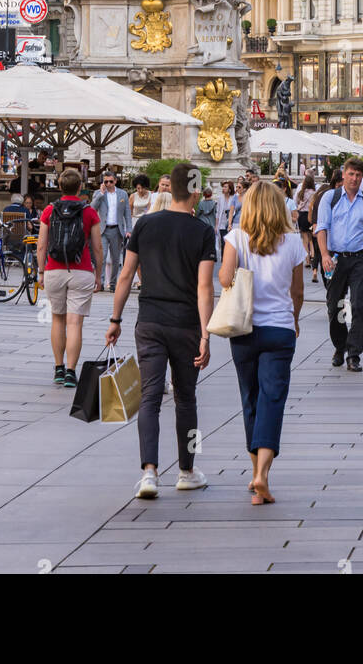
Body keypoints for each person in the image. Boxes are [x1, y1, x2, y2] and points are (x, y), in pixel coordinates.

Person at [106, 161, 215, 499]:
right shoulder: (202, 231)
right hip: (185, 324)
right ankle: (187, 470)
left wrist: (115, 320)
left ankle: (149, 473)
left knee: (150, 397)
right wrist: (206, 334)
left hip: (149, 320)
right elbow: (204, 287)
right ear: (195, 191)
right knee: (186, 398)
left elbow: (125, 276)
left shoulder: (145, 224)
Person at [218, 180, 305, 506]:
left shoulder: (236, 238)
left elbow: (225, 279)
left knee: (250, 397)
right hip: (280, 330)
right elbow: (297, 293)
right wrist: (294, 319)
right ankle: (263, 475)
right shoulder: (294, 243)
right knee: (273, 398)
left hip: (243, 328)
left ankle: (255, 471)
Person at [314, 157, 363, 373]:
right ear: (343, 174)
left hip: (360, 258)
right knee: (335, 305)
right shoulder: (330, 197)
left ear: (362, 177)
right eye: (351, 174)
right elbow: (321, 228)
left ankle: (353, 354)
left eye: (358, 175)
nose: (354, 178)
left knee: (359, 305)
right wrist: (324, 254)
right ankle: (339, 346)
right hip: (335, 258)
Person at [37, 168, 102, 389]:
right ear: (80, 186)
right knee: (75, 323)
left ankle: (58, 368)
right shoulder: (89, 212)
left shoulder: (48, 210)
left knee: (57, 319)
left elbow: (41, 246)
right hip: (81, 270)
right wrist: (99, 274)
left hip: (54, 269)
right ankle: (71, 372)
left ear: (59, 186)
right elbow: (97, 247)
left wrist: (41, 271)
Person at [92, 170, 132, 293]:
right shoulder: (98, 193)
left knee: (115, 260)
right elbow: (92, 208)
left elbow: (127, 213)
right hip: (103, 230)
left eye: (110, 181)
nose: (108, 183)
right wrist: (101, 193)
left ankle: (113, 284)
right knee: (101, 258)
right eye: (105, 181)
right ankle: (101, 283)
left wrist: (128, 230)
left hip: (117, 229)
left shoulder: (123, 194)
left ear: (115, 181)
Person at [294, 173, 317, 268]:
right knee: (311, 239)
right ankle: (313, 256)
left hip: (302, 216)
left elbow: (296, 202)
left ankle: (307, 260)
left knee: (305, 239)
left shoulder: (301, 193)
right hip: (311, 215)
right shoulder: (314, 193)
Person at [216, 180, 234, 259]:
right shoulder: (220, 198)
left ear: (230, 189)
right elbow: (217, 212)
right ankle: (223, 260)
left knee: (229, 243)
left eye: (225, 187)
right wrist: (216, 226)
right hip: (222, 224)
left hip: (231, 224)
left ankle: (229, 259)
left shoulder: (234, 198)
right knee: (223, 243)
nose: (223, 188)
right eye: (223, 187)